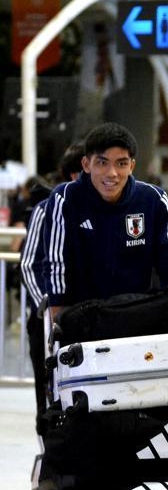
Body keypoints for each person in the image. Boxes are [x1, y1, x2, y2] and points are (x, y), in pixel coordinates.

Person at [37, 124, 168, 318]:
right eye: (102, 162)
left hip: (139, 316)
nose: (111, 173)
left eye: (121, 164)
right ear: (86, 164)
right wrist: (58, 322)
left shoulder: (154, 199)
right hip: (84, 318)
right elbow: (56, 264)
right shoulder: (64, 198)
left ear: (132, 166)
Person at [20, 143, 86, 414]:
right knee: (49, 395)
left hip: (90, 315)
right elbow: (29, 266)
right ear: (76, 173)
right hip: (50, 319)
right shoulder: (46, 209)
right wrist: (47, 310)